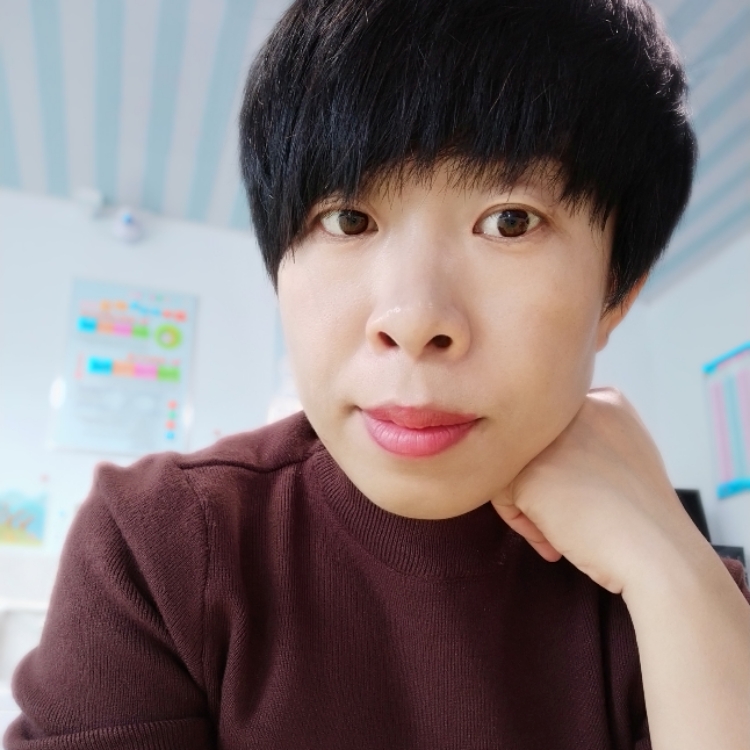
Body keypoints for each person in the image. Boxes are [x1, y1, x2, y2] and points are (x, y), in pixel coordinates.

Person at [6, 0, 750, 748]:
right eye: (349, 220)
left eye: (511, 221)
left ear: (617, 293)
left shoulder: (674, 595)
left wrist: (673, 571)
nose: (414, 319)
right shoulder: (156, 545)